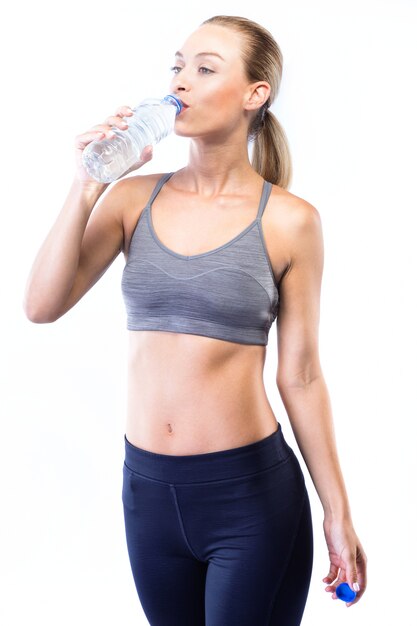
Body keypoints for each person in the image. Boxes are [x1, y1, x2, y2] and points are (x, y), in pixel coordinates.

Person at [23, 14, 367, 626]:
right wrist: (85, 184)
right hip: (147, 494)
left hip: (249, 499)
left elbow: (303, 377)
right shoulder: (133, 201)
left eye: (206, 69)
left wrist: (336, 509)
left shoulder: (290, 221)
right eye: (177, 66)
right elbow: (41, 307)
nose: (181, 80)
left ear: (254, 95)